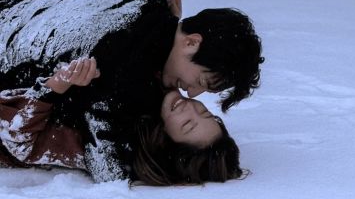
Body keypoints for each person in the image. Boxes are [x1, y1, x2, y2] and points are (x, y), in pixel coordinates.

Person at [0, 0, 264, 181]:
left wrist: (172, 22)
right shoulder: (121, 81)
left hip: (16, 5)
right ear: (192, 42)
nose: (193, 95)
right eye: (202, 82)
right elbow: (108, 168)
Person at [0, 58, 242, 185]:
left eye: (187, 124)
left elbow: (21, 140)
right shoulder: (155, 102)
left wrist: (54, 86)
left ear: (165, 143)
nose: (191, 108)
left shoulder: (109, 143)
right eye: (205, 113)